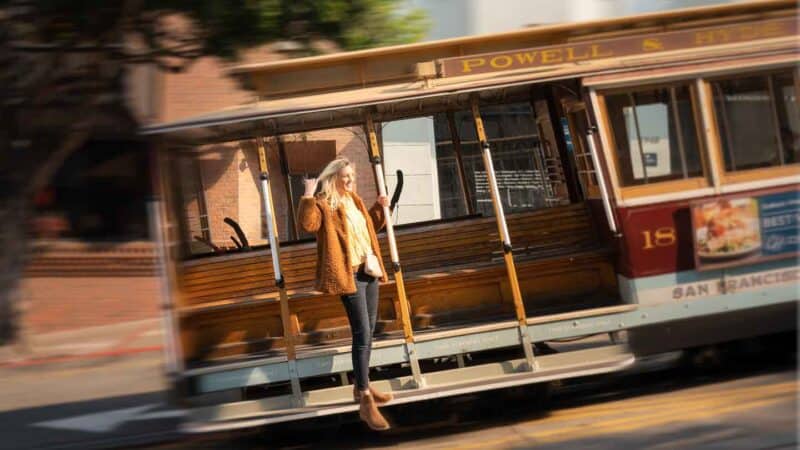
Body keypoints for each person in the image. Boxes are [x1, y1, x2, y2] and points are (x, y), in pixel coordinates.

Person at [297, 158, 394, 431]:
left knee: (370, 330)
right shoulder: (324, 203)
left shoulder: (354, 199)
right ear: (333, 178)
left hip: (368, 269)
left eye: (351, 175)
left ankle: (362, 387)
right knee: (362, 332)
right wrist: (307, 194)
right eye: (345, 176)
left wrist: (380, 208)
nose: (350, 180)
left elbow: (368, 229)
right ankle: (364, 398)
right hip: (348, 274)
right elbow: (308, 224)